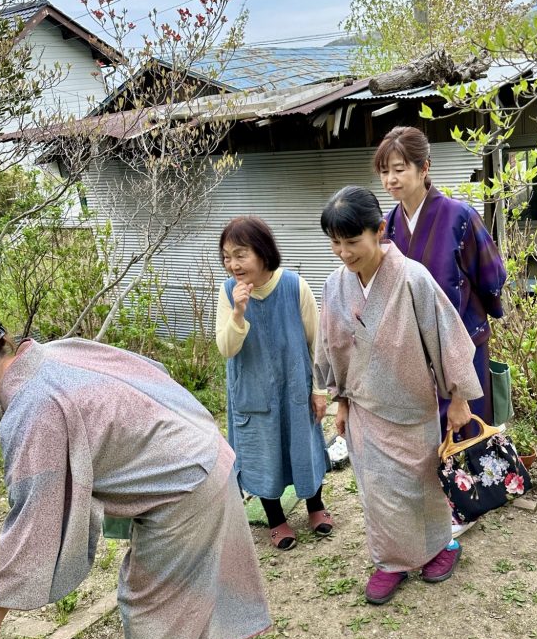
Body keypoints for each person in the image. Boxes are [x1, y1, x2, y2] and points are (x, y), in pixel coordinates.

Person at [0, 309, 270, 639]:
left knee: (146, 594)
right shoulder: (46, 354)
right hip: (198, 453)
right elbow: (148, 369)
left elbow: (34, 519)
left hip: (184, 484)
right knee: (185, 580)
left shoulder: (34, 410)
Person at [314, 186, 482, 605]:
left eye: (353, 241)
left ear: (380, 230)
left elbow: (447, 339)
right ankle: (390, 561)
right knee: (377, 492)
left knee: (420, 486)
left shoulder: (413, 278)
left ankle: (442, 547)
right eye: (335, 242)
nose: (343, 252)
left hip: (411, 405)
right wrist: (341, 400)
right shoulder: (336, 285)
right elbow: (332, 345)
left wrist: (459, 398)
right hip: (364, 407)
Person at [378, 126, 506, 429]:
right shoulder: (386, 226)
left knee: (468, 433)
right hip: (413, 350)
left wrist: (475, 311)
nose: (390, 179)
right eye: (384, 171)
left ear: (424, 168)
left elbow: (492, 276)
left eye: (399, 169)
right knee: (424, 437)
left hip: (462, 343)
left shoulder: (460, 216)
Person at [216, 216, 331, 551]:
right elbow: (226, 348)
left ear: (263, 252)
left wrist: (319, 390)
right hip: (252, 394)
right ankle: (277, 520)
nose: (233, 264)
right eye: (226, 256)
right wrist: (238, 313)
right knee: (261, 454)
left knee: (304, 447)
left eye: (240, 254)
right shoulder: (227, 293)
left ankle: (315, 506)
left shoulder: (295, 286)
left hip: (295, 388)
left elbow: (317, 343)